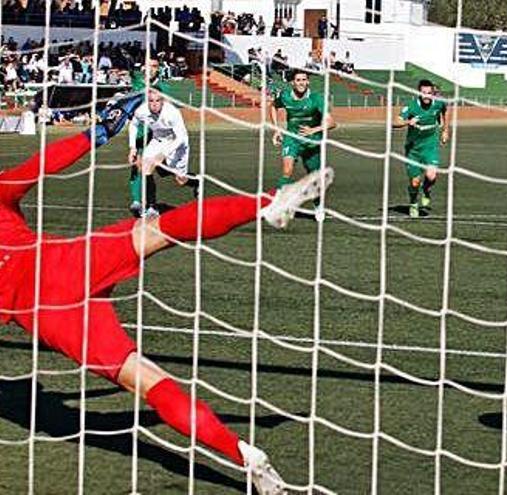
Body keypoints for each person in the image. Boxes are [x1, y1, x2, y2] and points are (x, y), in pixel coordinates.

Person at [0, 93, 334, 494]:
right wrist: (99, 132)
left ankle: (245, 455)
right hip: (67, 262)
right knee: (162, 230)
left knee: (150, 382)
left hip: (50, 316)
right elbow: (41, 165)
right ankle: (267, 204)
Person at [127, 89, 198, 217]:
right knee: (145, 167)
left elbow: (181, 137)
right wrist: (132, 147)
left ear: (163, 101)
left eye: (157, 100)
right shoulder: (141, 111)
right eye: (151, 101)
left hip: (176, 142)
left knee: (180, 179)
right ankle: (152, 208)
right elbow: (134, 124)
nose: (154, 104)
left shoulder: (172, 113)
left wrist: (163, 154)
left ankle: (197, 182)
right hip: (157, 140)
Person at [270, 68, 336, 199]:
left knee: (314, 177)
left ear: (308, 82)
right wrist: (276, 129)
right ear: (292, 83)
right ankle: (277, 203)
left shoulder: (316, 98)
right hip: (292, 138)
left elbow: (332, 123)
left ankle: (318, 207)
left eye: (304, 80)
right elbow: (273, 106)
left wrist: (314, 130)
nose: (301, 83)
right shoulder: (284, 96)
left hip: (312, 142)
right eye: (298, 80)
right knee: (287, 170)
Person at [393, 79, 449, 218]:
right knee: (414, 182)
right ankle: (413, 203)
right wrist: (408, 122)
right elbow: (395, 122)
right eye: (423, 93)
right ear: (419, 93)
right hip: (413, 150)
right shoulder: (411, 107)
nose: (426, 96)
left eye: (429, 93)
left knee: (431, 175)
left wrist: (445, 130)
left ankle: (426, 189)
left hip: (430, 147)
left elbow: (444, 112)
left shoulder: (439, 103)